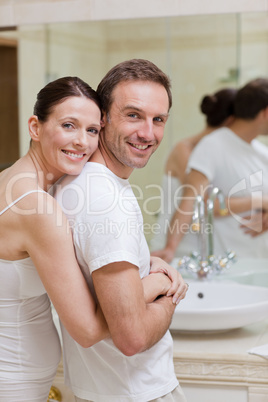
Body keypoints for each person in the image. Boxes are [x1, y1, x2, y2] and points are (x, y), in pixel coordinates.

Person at [0, 76, 185, 402]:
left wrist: (142, 261)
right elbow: (88, 330)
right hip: (15, 379)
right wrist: (159, 284)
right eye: (69, 125)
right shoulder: (39, 206)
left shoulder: (19, 182)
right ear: (35, 127)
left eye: (91, 130)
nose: (82, 142)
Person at [53, 59, 188, 402]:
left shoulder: (72, 182)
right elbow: (132, 337)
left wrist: (149, 270)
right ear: (103, 118)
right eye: (133, 115)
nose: (148, 133)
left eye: (158, 120)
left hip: (100, 388)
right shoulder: (107, 200)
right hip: (139, 392)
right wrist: (168, 290)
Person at [152, 78, 268, 263]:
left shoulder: (260, 152)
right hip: (190, 252)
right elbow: (199, 201)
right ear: (232, 119)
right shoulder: (202, 148)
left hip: (251, 259)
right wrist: (170, 247)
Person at [150, 88, 237, 258]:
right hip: (173, 248)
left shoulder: (219, 153)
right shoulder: (184, 150)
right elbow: (202, 201)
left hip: (201, 248)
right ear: (231, 121)